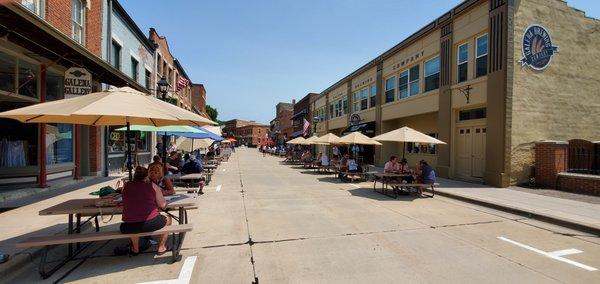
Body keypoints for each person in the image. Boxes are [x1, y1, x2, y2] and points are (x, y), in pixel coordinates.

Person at [120, 166, 172, 255]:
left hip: (127, 226)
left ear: (134, 176)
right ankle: (161, 247)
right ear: (146, 176)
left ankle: (135, 249)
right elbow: (163, 205)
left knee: (133, 223)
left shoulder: (127, 185)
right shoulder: (152, 186)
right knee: (168, 218)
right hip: (150, 223)